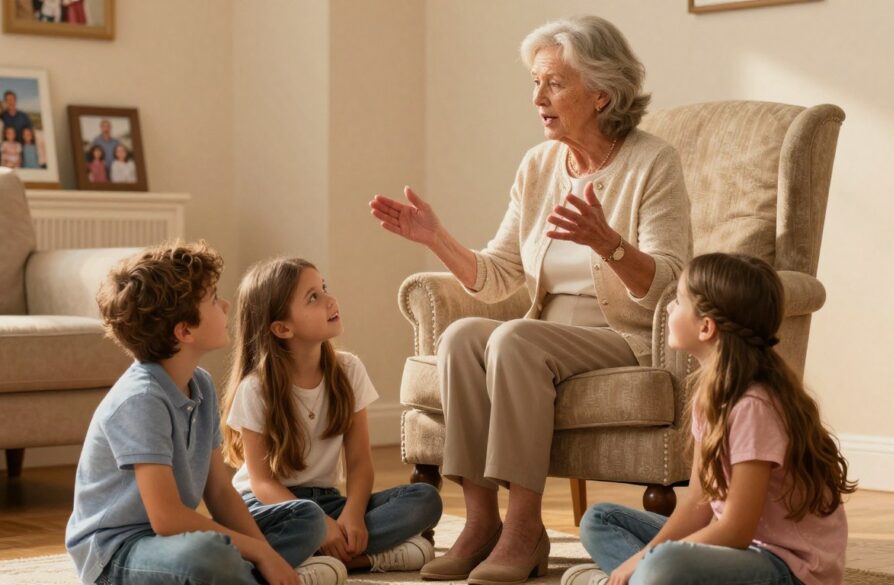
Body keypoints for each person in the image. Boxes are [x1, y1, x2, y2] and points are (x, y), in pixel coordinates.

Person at [368, 15, 691, 584]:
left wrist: (607, 243)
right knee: (464, 336)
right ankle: (482, 523)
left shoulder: (652, 162)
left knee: (514, 338)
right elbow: (499, 273)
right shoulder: (539, 166)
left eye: (554, 84)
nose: (538, 97)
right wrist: (435, 238)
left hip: (625, 337)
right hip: (548, 332)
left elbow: (669, 282)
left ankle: (525, 528)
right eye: (535, 83)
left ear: (601, 95)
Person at [65, 241, 344, 585]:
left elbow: (220, 493)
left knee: (307, 518)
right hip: (119, 553)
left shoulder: (201, 384)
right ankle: (251, 574)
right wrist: (260, 552)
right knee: (207, 556)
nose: (226, 304)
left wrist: (263, 551)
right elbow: (166, 519)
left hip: (169, 542)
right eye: (213, 298)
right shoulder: (141, 400)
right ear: (185, 331)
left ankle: (247, 576)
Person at [569, 253, 854, 585]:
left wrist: (650, 558)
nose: (671, 309)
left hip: (787, 569)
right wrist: (643, 558)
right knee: (599, 520)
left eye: (678, 301)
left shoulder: (753, 407)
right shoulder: (711, 397)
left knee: (665, 563)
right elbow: (698, 502)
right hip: (738, 553)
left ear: (706, 327)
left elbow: (736, 530)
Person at [222, 257, 443, 574]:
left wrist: (352, 516)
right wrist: (320, 525)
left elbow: (359, 463)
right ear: (282, 328)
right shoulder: (255, 389)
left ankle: (320, 560)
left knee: (425, 499)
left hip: (327, 502)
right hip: (268, 507)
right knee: (305, 523)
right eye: (313, 297)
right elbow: (262, 483)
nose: (330, 300)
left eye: (323, 288)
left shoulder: (348, 370)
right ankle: (366, 558)